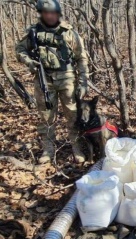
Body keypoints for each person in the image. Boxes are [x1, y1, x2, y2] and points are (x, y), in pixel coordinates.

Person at [16, 0, 89, 164]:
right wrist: (29, 61)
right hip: (44, 79)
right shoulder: (33, 32)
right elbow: (19, 50)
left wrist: (83, 82)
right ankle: (48, 149)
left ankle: (77, 147)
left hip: (67, 79)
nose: (50, 16)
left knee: (73, 115)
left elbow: (81, 59)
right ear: (41, 13)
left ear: (58, 13)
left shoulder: (70, 33)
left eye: (53, 13)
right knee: (46, 115)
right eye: (47, 13)